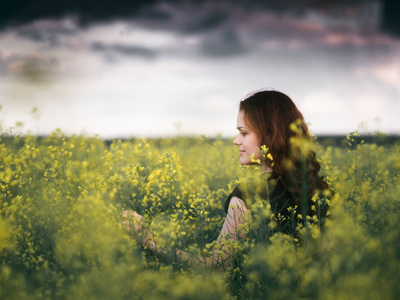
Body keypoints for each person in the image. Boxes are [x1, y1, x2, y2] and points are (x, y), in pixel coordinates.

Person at [122, 90, 331, 271]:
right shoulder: (322, 190)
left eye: (243, 133)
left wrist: (148, 240)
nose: (236, 141)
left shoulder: (248, 195)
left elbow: (215, 268)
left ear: (269, 135)